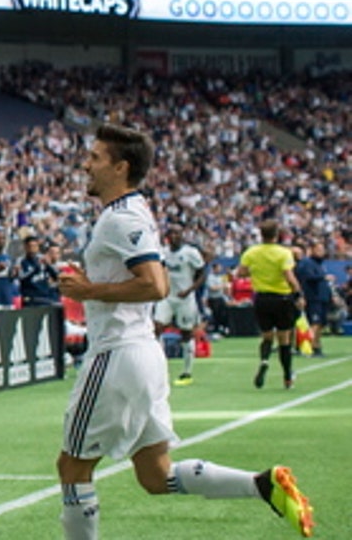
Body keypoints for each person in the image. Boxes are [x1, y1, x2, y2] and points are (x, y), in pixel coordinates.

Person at [56, 124, 312, 540]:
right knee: (155, 476)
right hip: (145, 355)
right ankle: (261, 484)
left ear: (120, 168)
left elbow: (156, 285)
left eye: (97, 158)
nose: (87, 163)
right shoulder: (129, 212)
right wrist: (94, 284)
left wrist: (89, 289)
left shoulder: (120, 218)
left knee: (73, 468)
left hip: (117, 356)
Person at [237, 220, 303, 390]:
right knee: (284, 339)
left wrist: (258, 271)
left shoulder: (252, 252)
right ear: (277, 234)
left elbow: (241, 272)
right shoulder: (283, 253)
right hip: (281, 298)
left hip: (261, 299)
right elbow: (289, 277)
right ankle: (287, 376)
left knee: (266, 336)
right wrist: (299, 294)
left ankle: (264, 361)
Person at [155, 224, 206, 386]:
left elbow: (201, 273)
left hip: (185, 299)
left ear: (183, 235)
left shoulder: (191, 253)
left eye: (178, 233)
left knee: (186, 334)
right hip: (167, 297)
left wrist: (190, 290)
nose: (175, 236)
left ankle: (187, 371)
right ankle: (159, 369)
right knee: (156, 329)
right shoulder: (163, 252)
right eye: (172, 233)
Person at [294, 241, 332, 357]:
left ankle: (317, 346)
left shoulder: (319, 264)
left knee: (320, 323)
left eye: (322, 249)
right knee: (315, 323)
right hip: (314, 297)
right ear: (311, 250)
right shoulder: (307, 263)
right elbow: (307, 277)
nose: (321, 252)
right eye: (318, 249)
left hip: (322, 297)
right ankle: (309, 346)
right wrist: (323, 277)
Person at [17, 235, 61, 307]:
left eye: (34, 246)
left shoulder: (42, 259)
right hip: (30, 299)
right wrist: (36, 268)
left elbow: (56, 276)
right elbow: (22, 278)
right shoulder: (21, 261)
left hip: (45, 298)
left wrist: (48, 265)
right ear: (25, 247)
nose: (32, 249)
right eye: (30, 246)